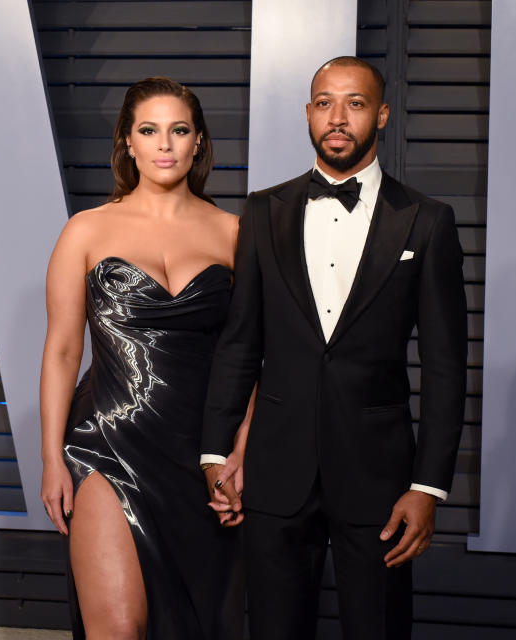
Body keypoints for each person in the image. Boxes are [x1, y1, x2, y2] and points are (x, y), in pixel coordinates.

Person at [201, 57, 468, 639]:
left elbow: (446, 368)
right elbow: (240, 341)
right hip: (274, 471)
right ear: (308, 114)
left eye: (355, 103)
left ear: (382, 115)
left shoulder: (427, 222)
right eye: (324, 103)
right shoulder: (263, 212)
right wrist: (215, 450)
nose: (338, 117)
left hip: (380, 477)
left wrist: (427, 487)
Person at [40, 77, 248, 640]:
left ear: (198, 142)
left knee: (200, 623)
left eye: (179, 130)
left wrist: (240, 451)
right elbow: (62, 350)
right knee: (119, 627)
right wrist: (51, 459)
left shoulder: (234, 233)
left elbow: (256, 355)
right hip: (105, 443)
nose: (165, 144)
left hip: (201, 454)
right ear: (127, 143)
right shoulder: (85, 230)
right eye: (149, 130)